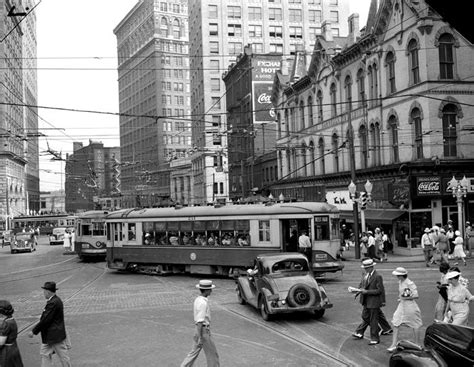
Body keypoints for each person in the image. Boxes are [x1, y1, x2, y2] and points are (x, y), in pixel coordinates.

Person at [28, 281, 71, 367]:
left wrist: (33, 331)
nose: (43, 294)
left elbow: (45, 320)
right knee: (45, 354)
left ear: (48, 291)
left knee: (63, 356)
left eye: (44, 291)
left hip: (54, 336)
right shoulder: (55, 300)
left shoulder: (53, 303)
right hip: (51, 336)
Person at [180, 280, 220, 367]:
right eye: (210, 289)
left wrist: (197, 334)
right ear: (206, 290)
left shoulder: (198, 300)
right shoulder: (203, 303)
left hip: (199, 330)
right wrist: (199, 335)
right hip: (204, 330)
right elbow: (200, 320)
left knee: (193, 352)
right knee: (212, 355)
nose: (211, 291)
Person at [386, 267, 423, 352]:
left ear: (402, 275)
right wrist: (401, 298)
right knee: (395, 321)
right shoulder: (400, 282)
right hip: (402, 305)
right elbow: (402, 294)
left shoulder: (410, 283)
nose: (397, 277)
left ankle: (417, 344)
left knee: (415, 324)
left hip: (410, 306)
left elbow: (416, 295)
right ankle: (394, 344)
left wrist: (405, 297)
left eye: (398, 275)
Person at [352, 258, 386, 345]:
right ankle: (377, 330)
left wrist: (367, 292)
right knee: (365, 316)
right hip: (366, 301)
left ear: (371, 267)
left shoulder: (377, 276)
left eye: (367, 268)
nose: (365, 269)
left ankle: (374, 338)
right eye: (364, 268)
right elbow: (362, 285)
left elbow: (379, 290)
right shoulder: (365, 274)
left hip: (374, 301)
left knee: (373, 320)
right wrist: (357, 290)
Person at [0, 300, 24, 367]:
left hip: (7, 352)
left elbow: (1, 342)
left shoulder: (5, 324)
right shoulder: (12, 320)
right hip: (14, 347)